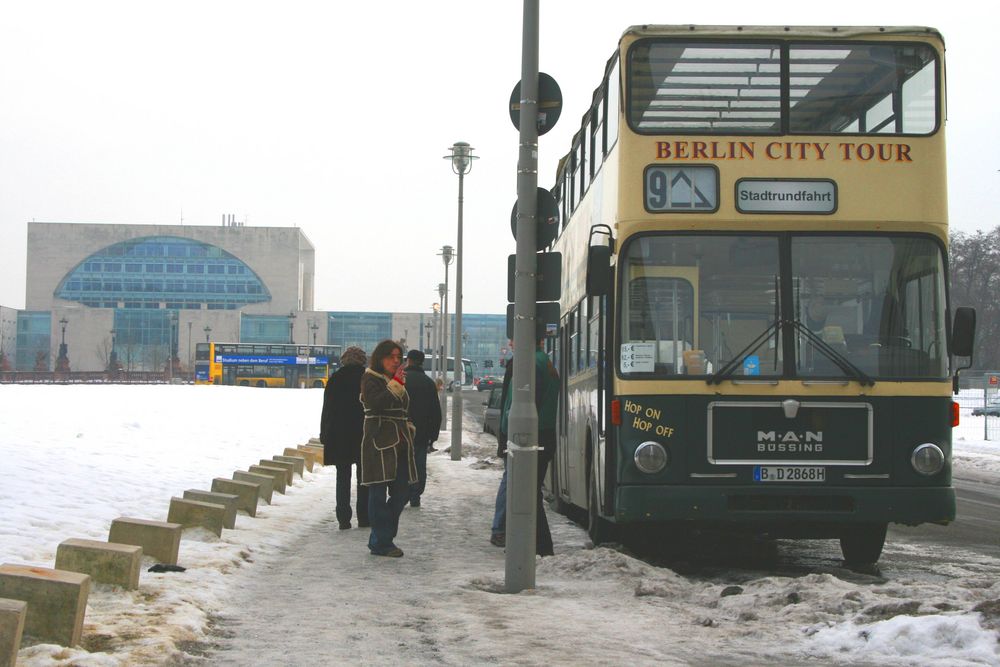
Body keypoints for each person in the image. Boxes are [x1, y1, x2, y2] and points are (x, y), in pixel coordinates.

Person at [490, 337, 559, 556]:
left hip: (529, 439)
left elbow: (523, 405)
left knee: (526, 493)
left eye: (514, 339)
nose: (511, 343)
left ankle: (536, 546)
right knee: (530, 493)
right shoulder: (541, 362)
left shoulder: (529, 364)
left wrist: (509, 436)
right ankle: (537, 544)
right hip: (541, 436)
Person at [359, 339, 418, 557]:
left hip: (401, 443)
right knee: (377, 493)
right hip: (379, 442)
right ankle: (381, 542)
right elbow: (376, 402)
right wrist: (395, 384)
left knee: (403, 492)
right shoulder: (370, 378)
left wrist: (410, 426)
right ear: (380, 358)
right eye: (391, 357)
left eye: (398, 357)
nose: (396, 361)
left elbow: (403, 407)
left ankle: (381, 537)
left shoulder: (395, 379)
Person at [319, 346, 369, 530]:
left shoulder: (335, 379)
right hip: (364, 434)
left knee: (343, 477)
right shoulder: (367, 378)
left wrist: (324, 433)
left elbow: (328, 410)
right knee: (364, 478)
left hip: (340, 435)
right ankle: (364, 517)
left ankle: (343, 518)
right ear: (362, 360)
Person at [403, 349, 441, 507]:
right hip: (421, 432)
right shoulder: (428, 383)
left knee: (402, 462)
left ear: (408, 361)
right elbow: (436, 411)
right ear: (422, 362)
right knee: (419, 463)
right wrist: (433, 436)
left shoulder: (400, 380)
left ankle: (401, 493)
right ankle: (415, 494)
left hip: (401, 430)